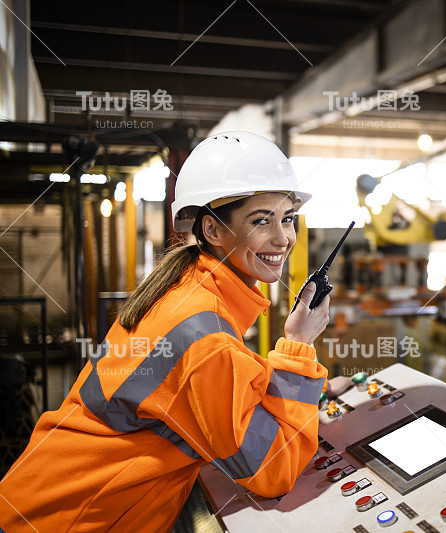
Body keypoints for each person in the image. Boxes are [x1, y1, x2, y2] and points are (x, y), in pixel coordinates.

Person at [0, 131, 348, 532]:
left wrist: (306, 390)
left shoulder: (186, 289)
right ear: (213, 231)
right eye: (260, 221)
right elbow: (274, 470)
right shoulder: (204, 335)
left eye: (287, 218)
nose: (283, 238)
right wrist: (298, 348)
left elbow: (206, 390)